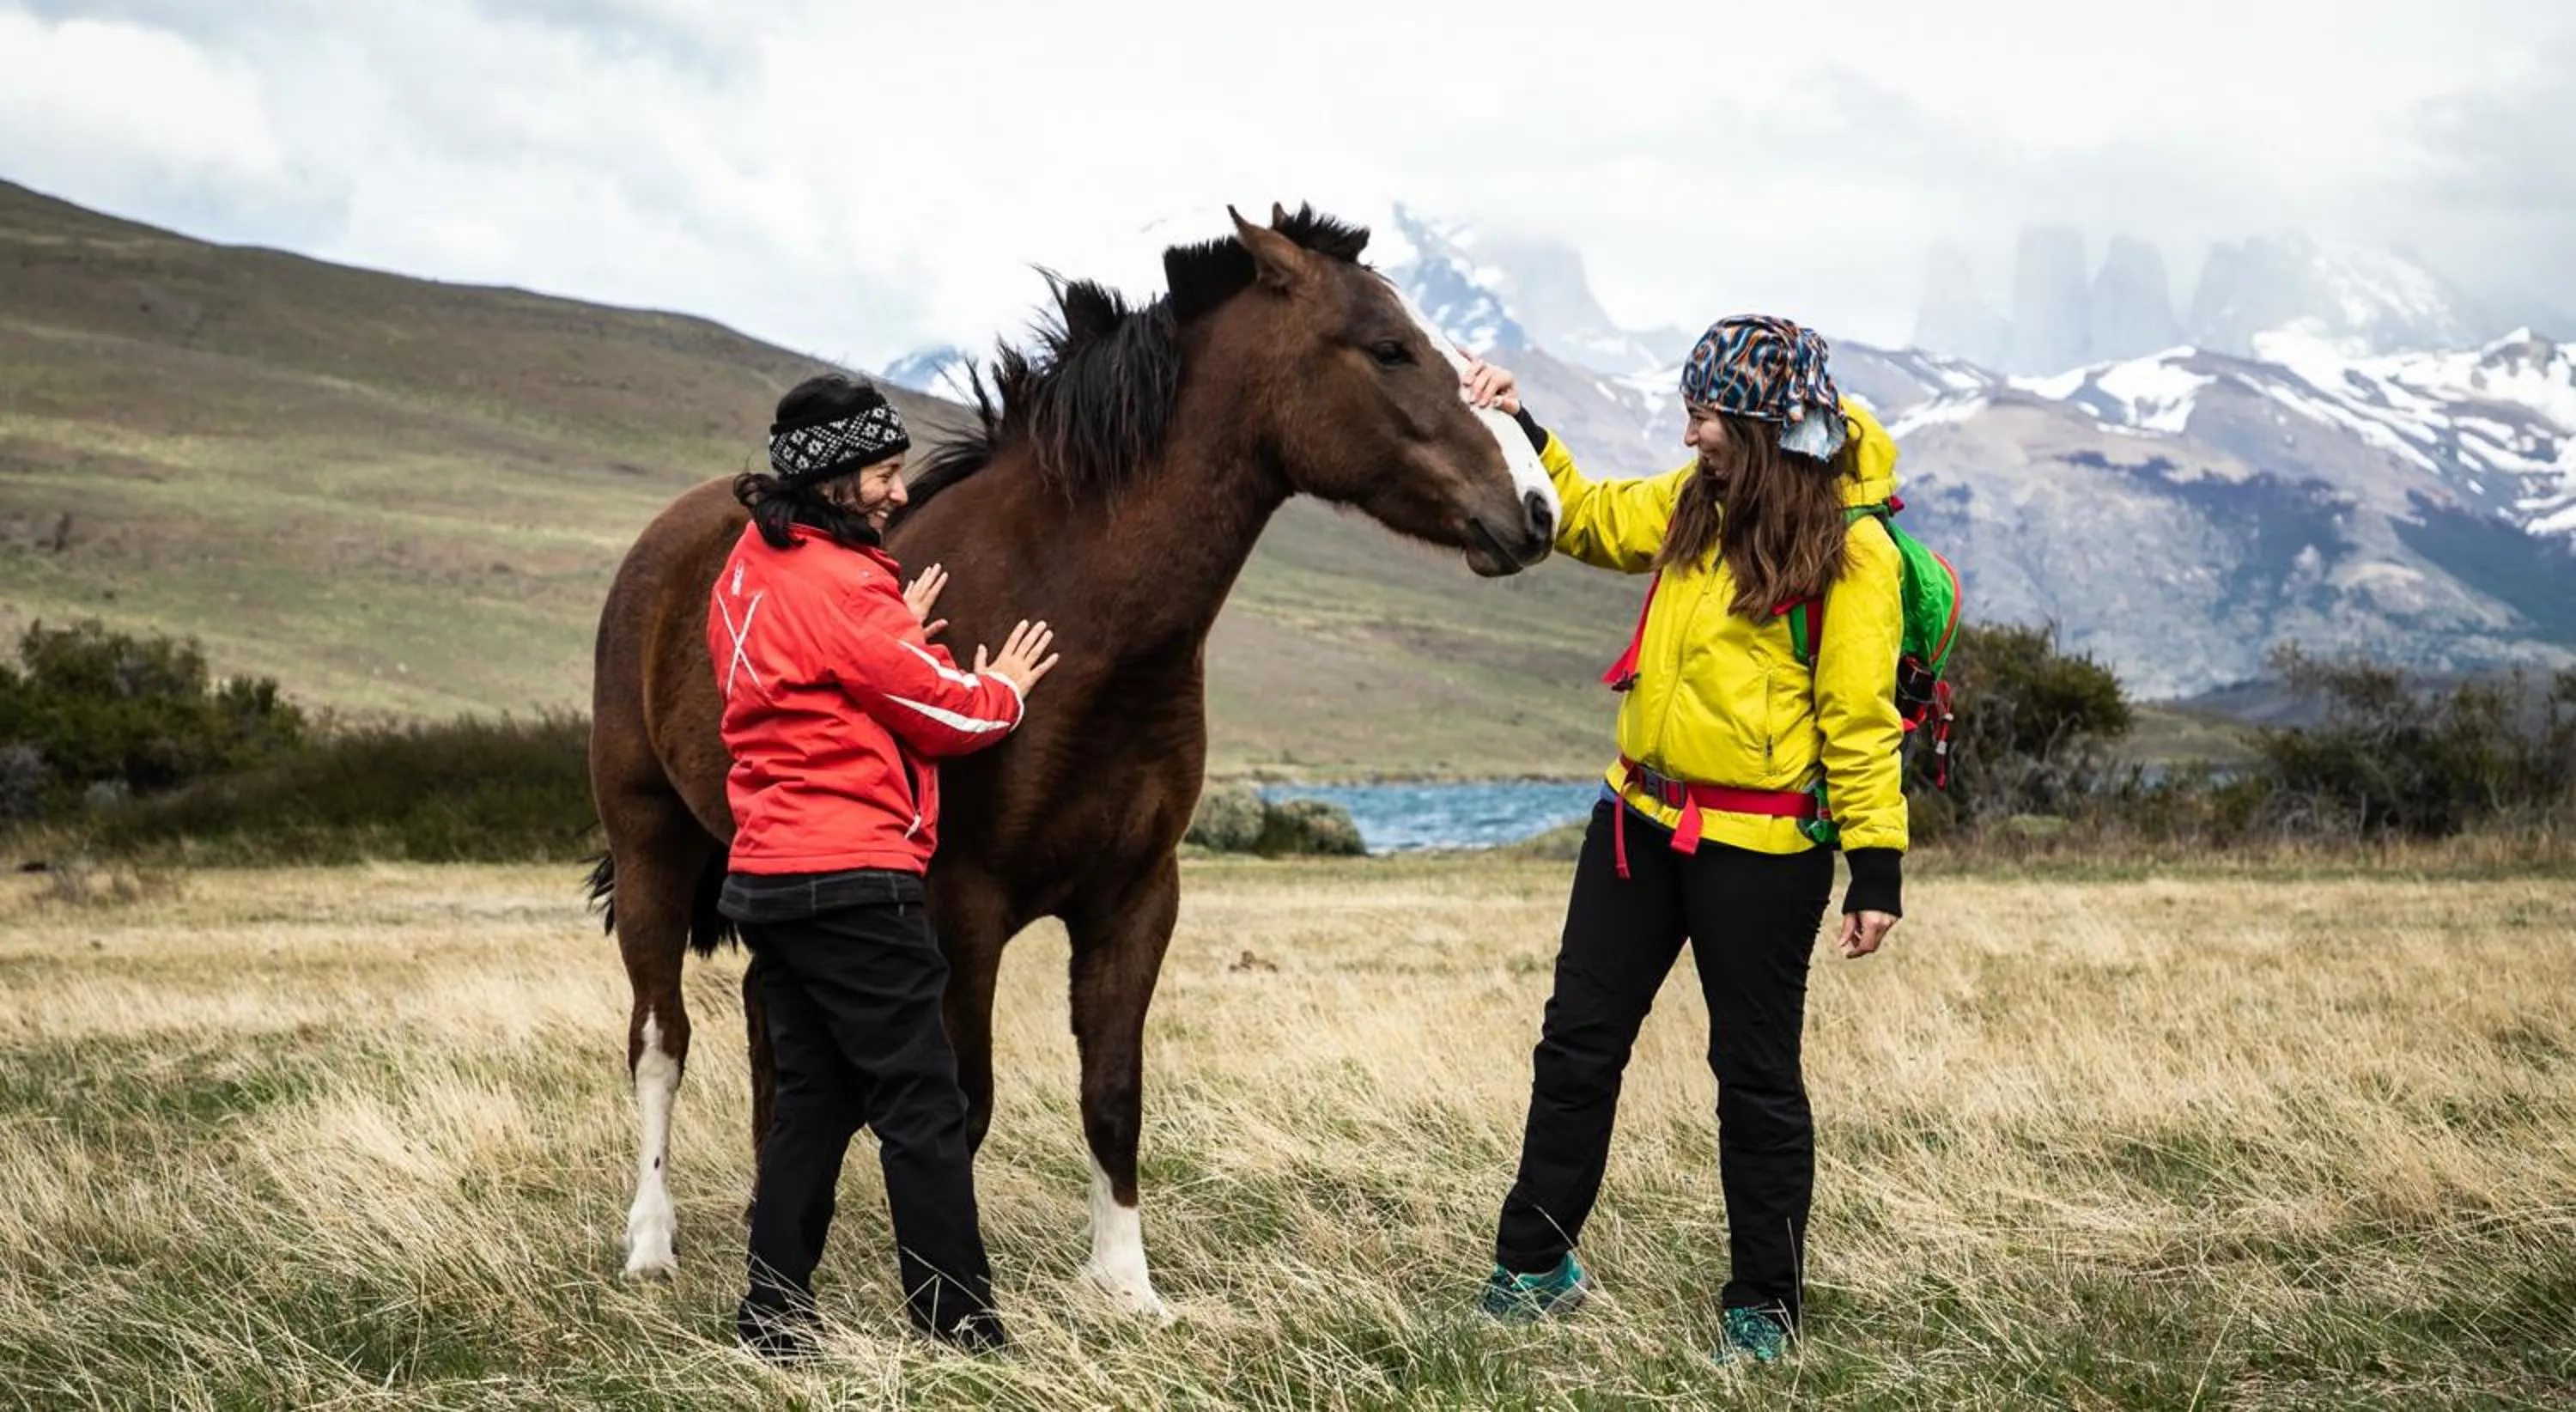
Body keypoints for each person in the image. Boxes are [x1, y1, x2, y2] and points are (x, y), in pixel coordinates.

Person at [1461, 318, 1907, 1365]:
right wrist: (1516, 420)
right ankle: (1534, 1266)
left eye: (1704, 413)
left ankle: (1764, 1304)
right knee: (1577, 1044)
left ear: (1756, 424)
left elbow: (1859, 719)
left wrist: (1874, 867)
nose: (1690, 429)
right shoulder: (1688, 502)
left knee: (1753, 1075)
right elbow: (1582, 516)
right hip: (1637, 823)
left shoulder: (1856, 550)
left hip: (1764, 849)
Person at [708, 372, 1060, 1360]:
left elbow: (821, 684)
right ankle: (961, 1329)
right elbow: (944, 715)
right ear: (830, 481)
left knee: (813, 1101)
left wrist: (894, 627)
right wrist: (1003, 689)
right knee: (922, 1101)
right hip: (854, 879)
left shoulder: (749, 571)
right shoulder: (844, 585)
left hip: (771, 877)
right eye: (884, 474)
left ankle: (772, 1320)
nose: (900, 494)